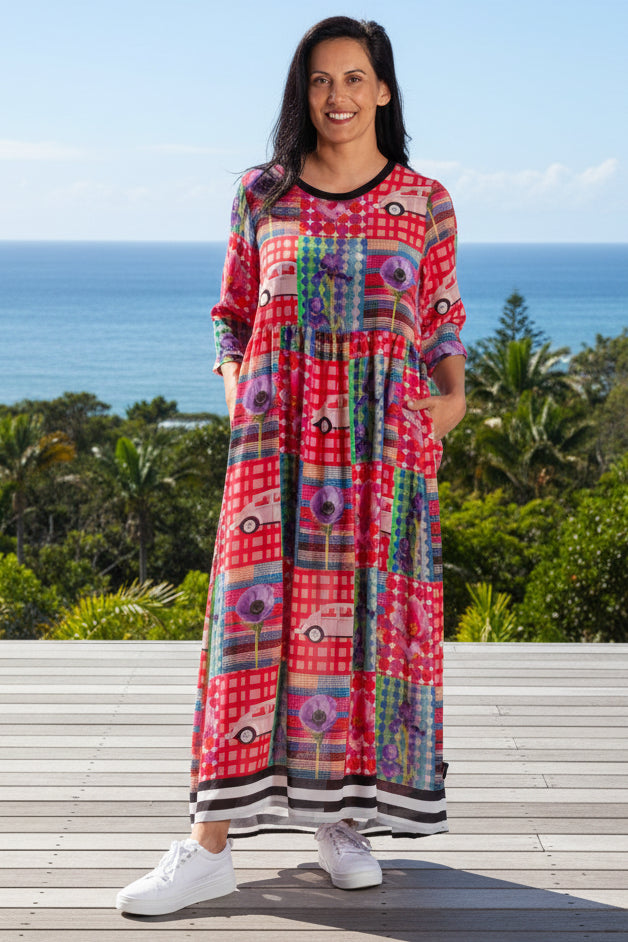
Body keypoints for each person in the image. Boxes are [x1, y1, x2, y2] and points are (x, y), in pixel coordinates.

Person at [116, 14, 466, 917]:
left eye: (354, 79)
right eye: (320, 81)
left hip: (384, 449)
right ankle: (207, 846)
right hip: (275, 444)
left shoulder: (425, 201)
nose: (337, 98)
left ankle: (339, 819)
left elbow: (443, 324)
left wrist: (452, 400)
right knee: (249, 626)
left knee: (361, 633)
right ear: (300, 93)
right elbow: (231, 312)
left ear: (384, 90)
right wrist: (237, 388)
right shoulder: (262, 195)